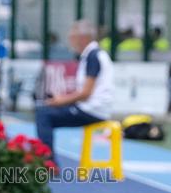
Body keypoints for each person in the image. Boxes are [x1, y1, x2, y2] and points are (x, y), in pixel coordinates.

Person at [34, 20, 113, 165]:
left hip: (92, 110)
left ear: (82, 38)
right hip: (93, 108)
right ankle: (47, 159)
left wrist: (60, 101)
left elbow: (85, 93)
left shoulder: (93, 56)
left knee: (43, 114)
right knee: (46, 111)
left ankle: (48, 162)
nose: (70, 41)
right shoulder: (94, 55)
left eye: (72, 37)